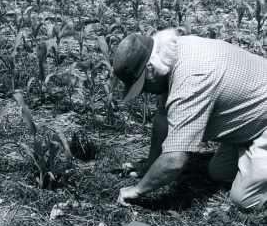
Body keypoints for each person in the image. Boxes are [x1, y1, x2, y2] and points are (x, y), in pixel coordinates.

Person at [113, 29, 267, 210]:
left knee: (246, 199)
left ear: (150, 69)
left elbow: (174, 160)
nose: (145, 92)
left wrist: (137, 190)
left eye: (143, 85)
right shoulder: (175, 52)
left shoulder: (191, 81)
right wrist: (150, 164)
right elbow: (163, 118)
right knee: (219, 172)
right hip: (256, 116)